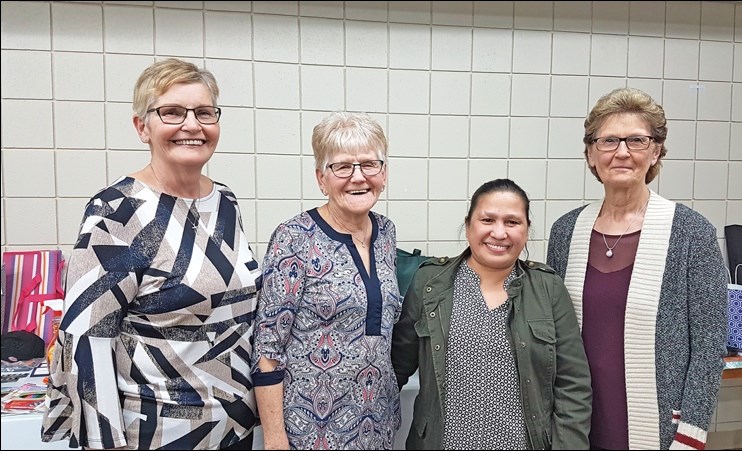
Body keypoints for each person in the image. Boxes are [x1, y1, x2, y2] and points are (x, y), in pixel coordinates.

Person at [41, 58, 260, 450]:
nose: (192, 125)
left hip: (235, 427)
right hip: (160, 433)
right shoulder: (118, 212)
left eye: (204, 112)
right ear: (143, 127)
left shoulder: (225, 201)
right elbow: (85, 340)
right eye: (172, 112)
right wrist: (103, 441)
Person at [546, 87, 728, 450]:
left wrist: (690, 435)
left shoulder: (691, 233)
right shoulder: (566, 231)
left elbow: (709, 346)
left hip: (658, 426)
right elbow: (553, 334)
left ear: (656, 151)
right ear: (591, 154)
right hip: (576, 421)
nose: (622, 152)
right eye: (609, 140)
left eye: (637, 140)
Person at [392, 178, 592, 450]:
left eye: (512, 222)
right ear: (468, 225)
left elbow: (573, 385)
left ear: (527, 229)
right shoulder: (429, 283)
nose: (499, 233)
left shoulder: (548, 288)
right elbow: (395, 369)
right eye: (487, 220)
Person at [251, 112, 401, 450]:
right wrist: (275, 439)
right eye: (343, 167)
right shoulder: (294, 238)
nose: (358, 177)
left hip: (377, 423)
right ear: (322, 178)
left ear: (384, 173)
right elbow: (267, 347)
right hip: (310, 431)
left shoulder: (386, 233)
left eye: (369, 165)